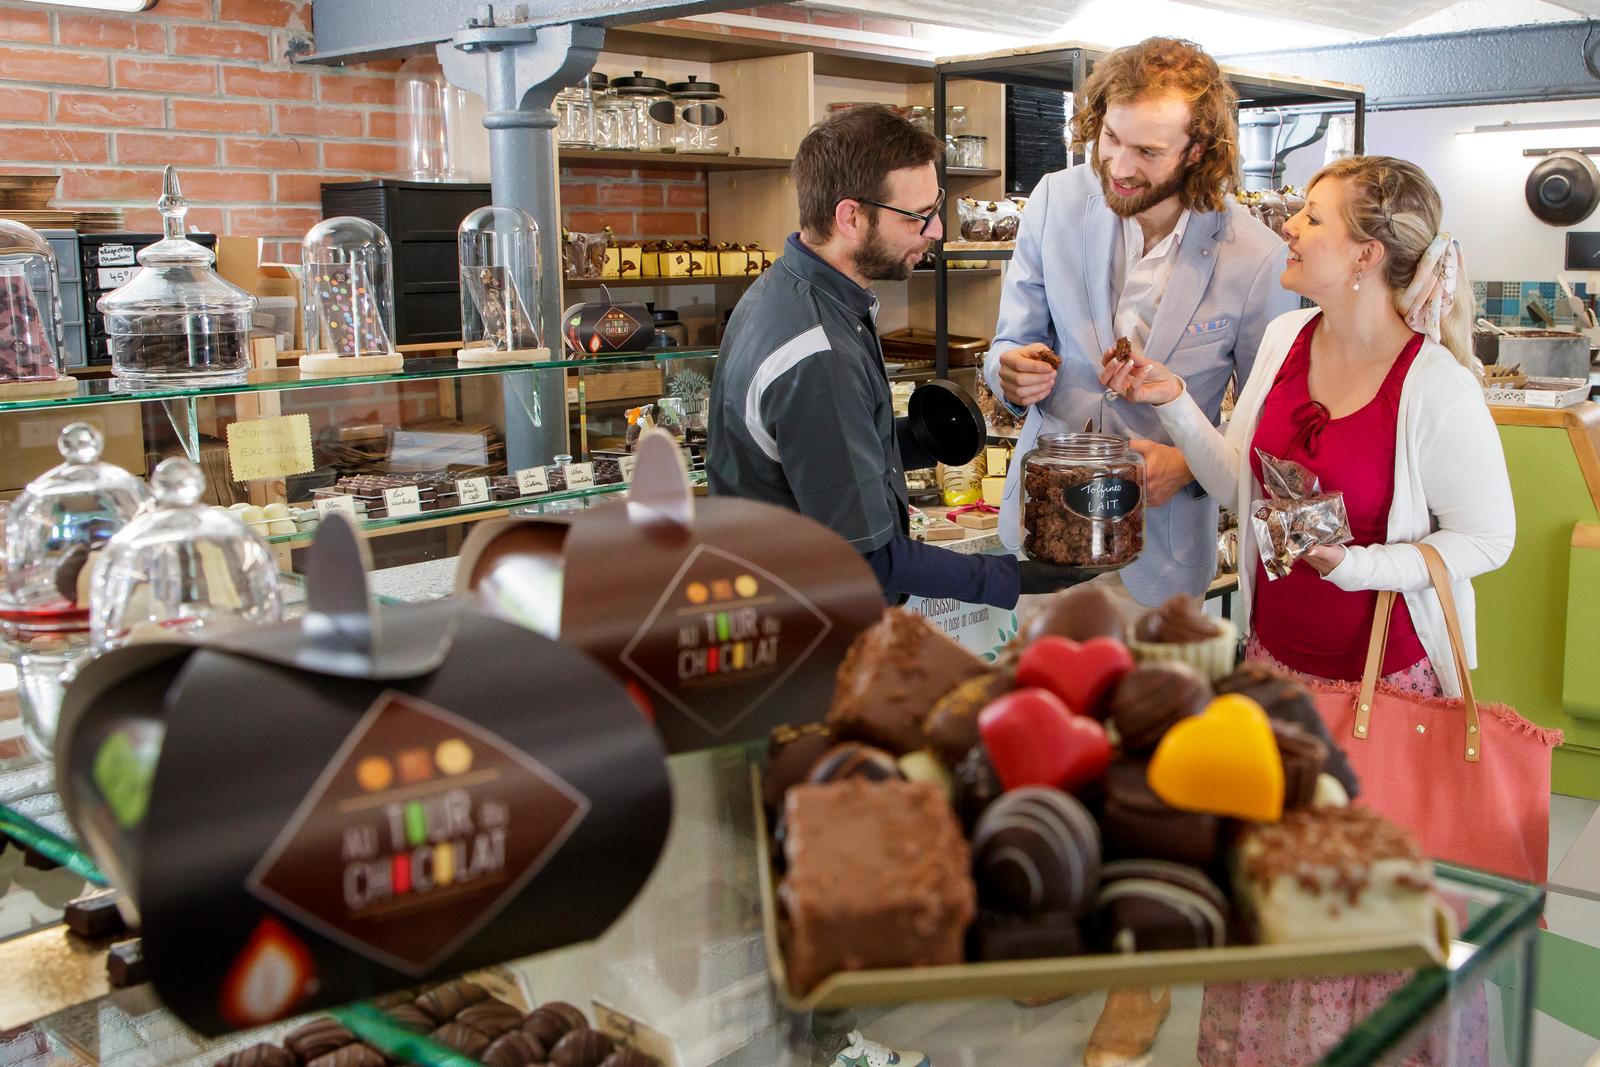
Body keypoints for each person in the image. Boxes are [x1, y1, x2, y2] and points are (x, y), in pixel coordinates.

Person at [1101, 155, 1508, 1065]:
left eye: (1312, 218)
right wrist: (1172, 404)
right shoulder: (1287, 338)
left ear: (1367, 253)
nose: (1287, 224)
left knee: (1352, 915)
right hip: (1276, 681)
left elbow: (1489, 539)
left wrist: (1357, 565)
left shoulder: (1434, 386)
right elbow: (1242, 488)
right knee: (1273, 903)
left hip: (1384, 692)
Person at [708, 105, 1089, 609]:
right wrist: (1013, 578)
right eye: (918, 217)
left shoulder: (787, 292)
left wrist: (918, 439)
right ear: (850, 216)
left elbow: (811, 461)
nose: (935, 230)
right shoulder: (818, 353)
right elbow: (867, 558)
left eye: (936, 207)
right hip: (806, 624)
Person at [984, 37, 1301, 618]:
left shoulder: (1257, 256)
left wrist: (1189, 466)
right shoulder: (1055, 200)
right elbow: (1008, 340)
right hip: (1045, 533)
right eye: (1110, 138)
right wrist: (1010, 370)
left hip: (1162, 558)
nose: (1121, 168)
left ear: (1198, 149)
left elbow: (1271, 421)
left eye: (1149, 152)